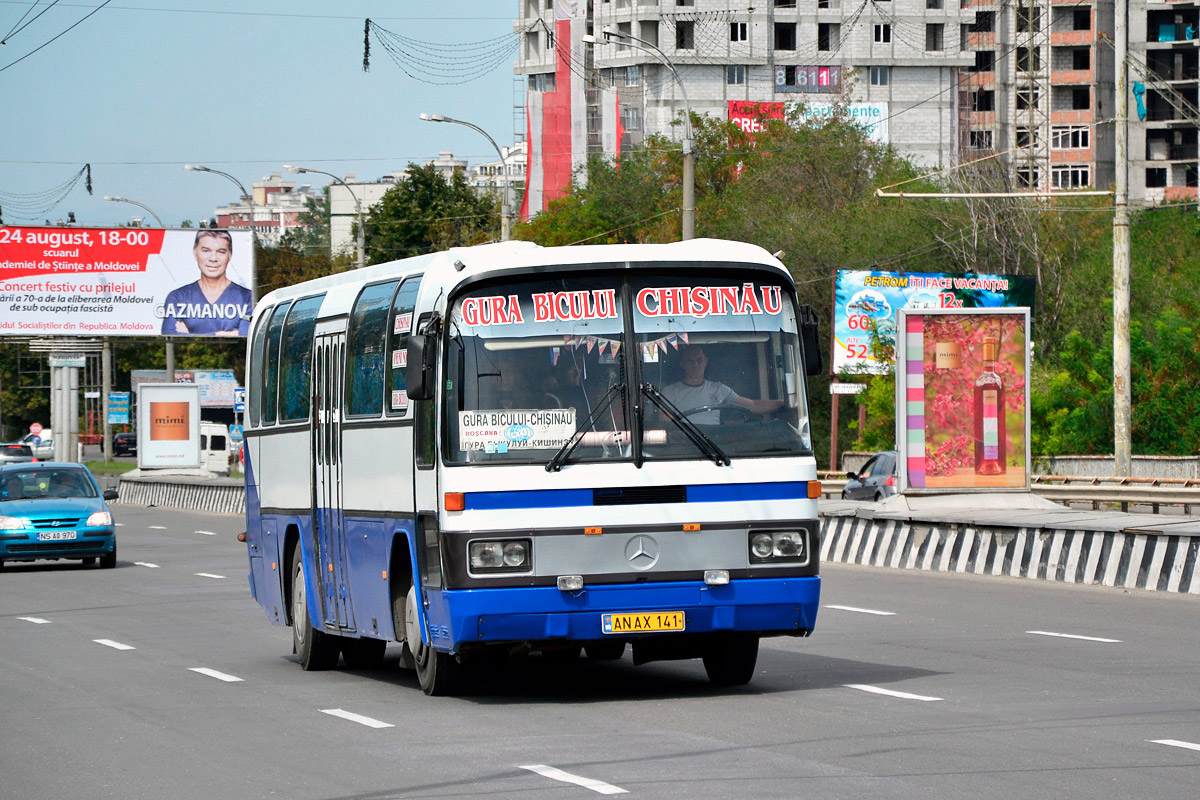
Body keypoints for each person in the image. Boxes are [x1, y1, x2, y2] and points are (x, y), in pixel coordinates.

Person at [660, 345, 784, 425]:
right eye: (690, 361)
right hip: (684, 445)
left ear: (706, 362)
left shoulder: (718, 389)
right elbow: (665, 421)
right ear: (682, 364)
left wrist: (786, 403)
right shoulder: (670, 392)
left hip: (716, 445)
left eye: (699, 360)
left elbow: (752, 406)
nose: (695, 364)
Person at [160, 230, 252, 336]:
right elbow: (170, 334)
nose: (213, 258)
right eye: (206, 251)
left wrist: (189, 336)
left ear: (230, 255)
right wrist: (221, 334)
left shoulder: (247, 297)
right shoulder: (178, 297)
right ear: (195, 253)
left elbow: (246, 336)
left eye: (221, 252)